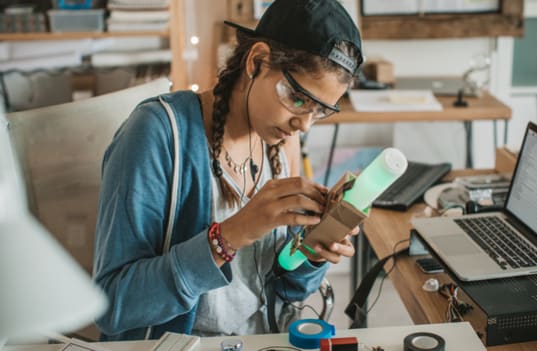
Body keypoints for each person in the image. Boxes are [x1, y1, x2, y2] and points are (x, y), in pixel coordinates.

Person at [93, 0, 364, 341]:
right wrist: (230, 236)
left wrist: (311, 251)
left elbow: (284, 292)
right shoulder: (156, 133)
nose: (305, 125)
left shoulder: (281, 144)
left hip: (261, 340)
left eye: (321, 110)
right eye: (297, 98)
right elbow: (112, 305)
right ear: (257, 61)